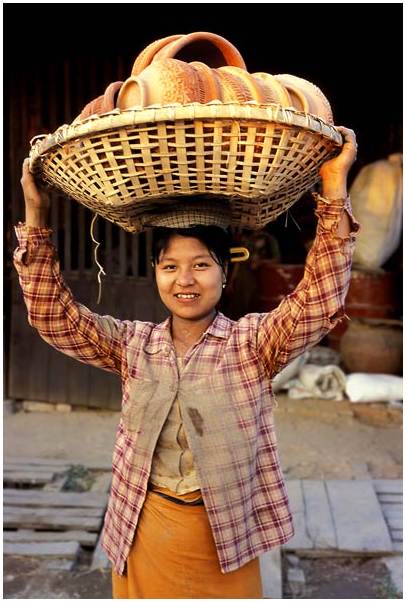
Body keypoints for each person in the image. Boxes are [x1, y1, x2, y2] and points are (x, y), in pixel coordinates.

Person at [15, 127, 359, 599]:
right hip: (145, 531)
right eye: (170, 265)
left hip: (226, 543)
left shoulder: (252, 344)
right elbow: (53, 317)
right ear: (156, 273)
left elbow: (320, 300)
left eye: (200, 264)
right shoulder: (134, 346)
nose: (185, 279)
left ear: (225, 271)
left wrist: (334, 187)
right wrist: (36, 213)